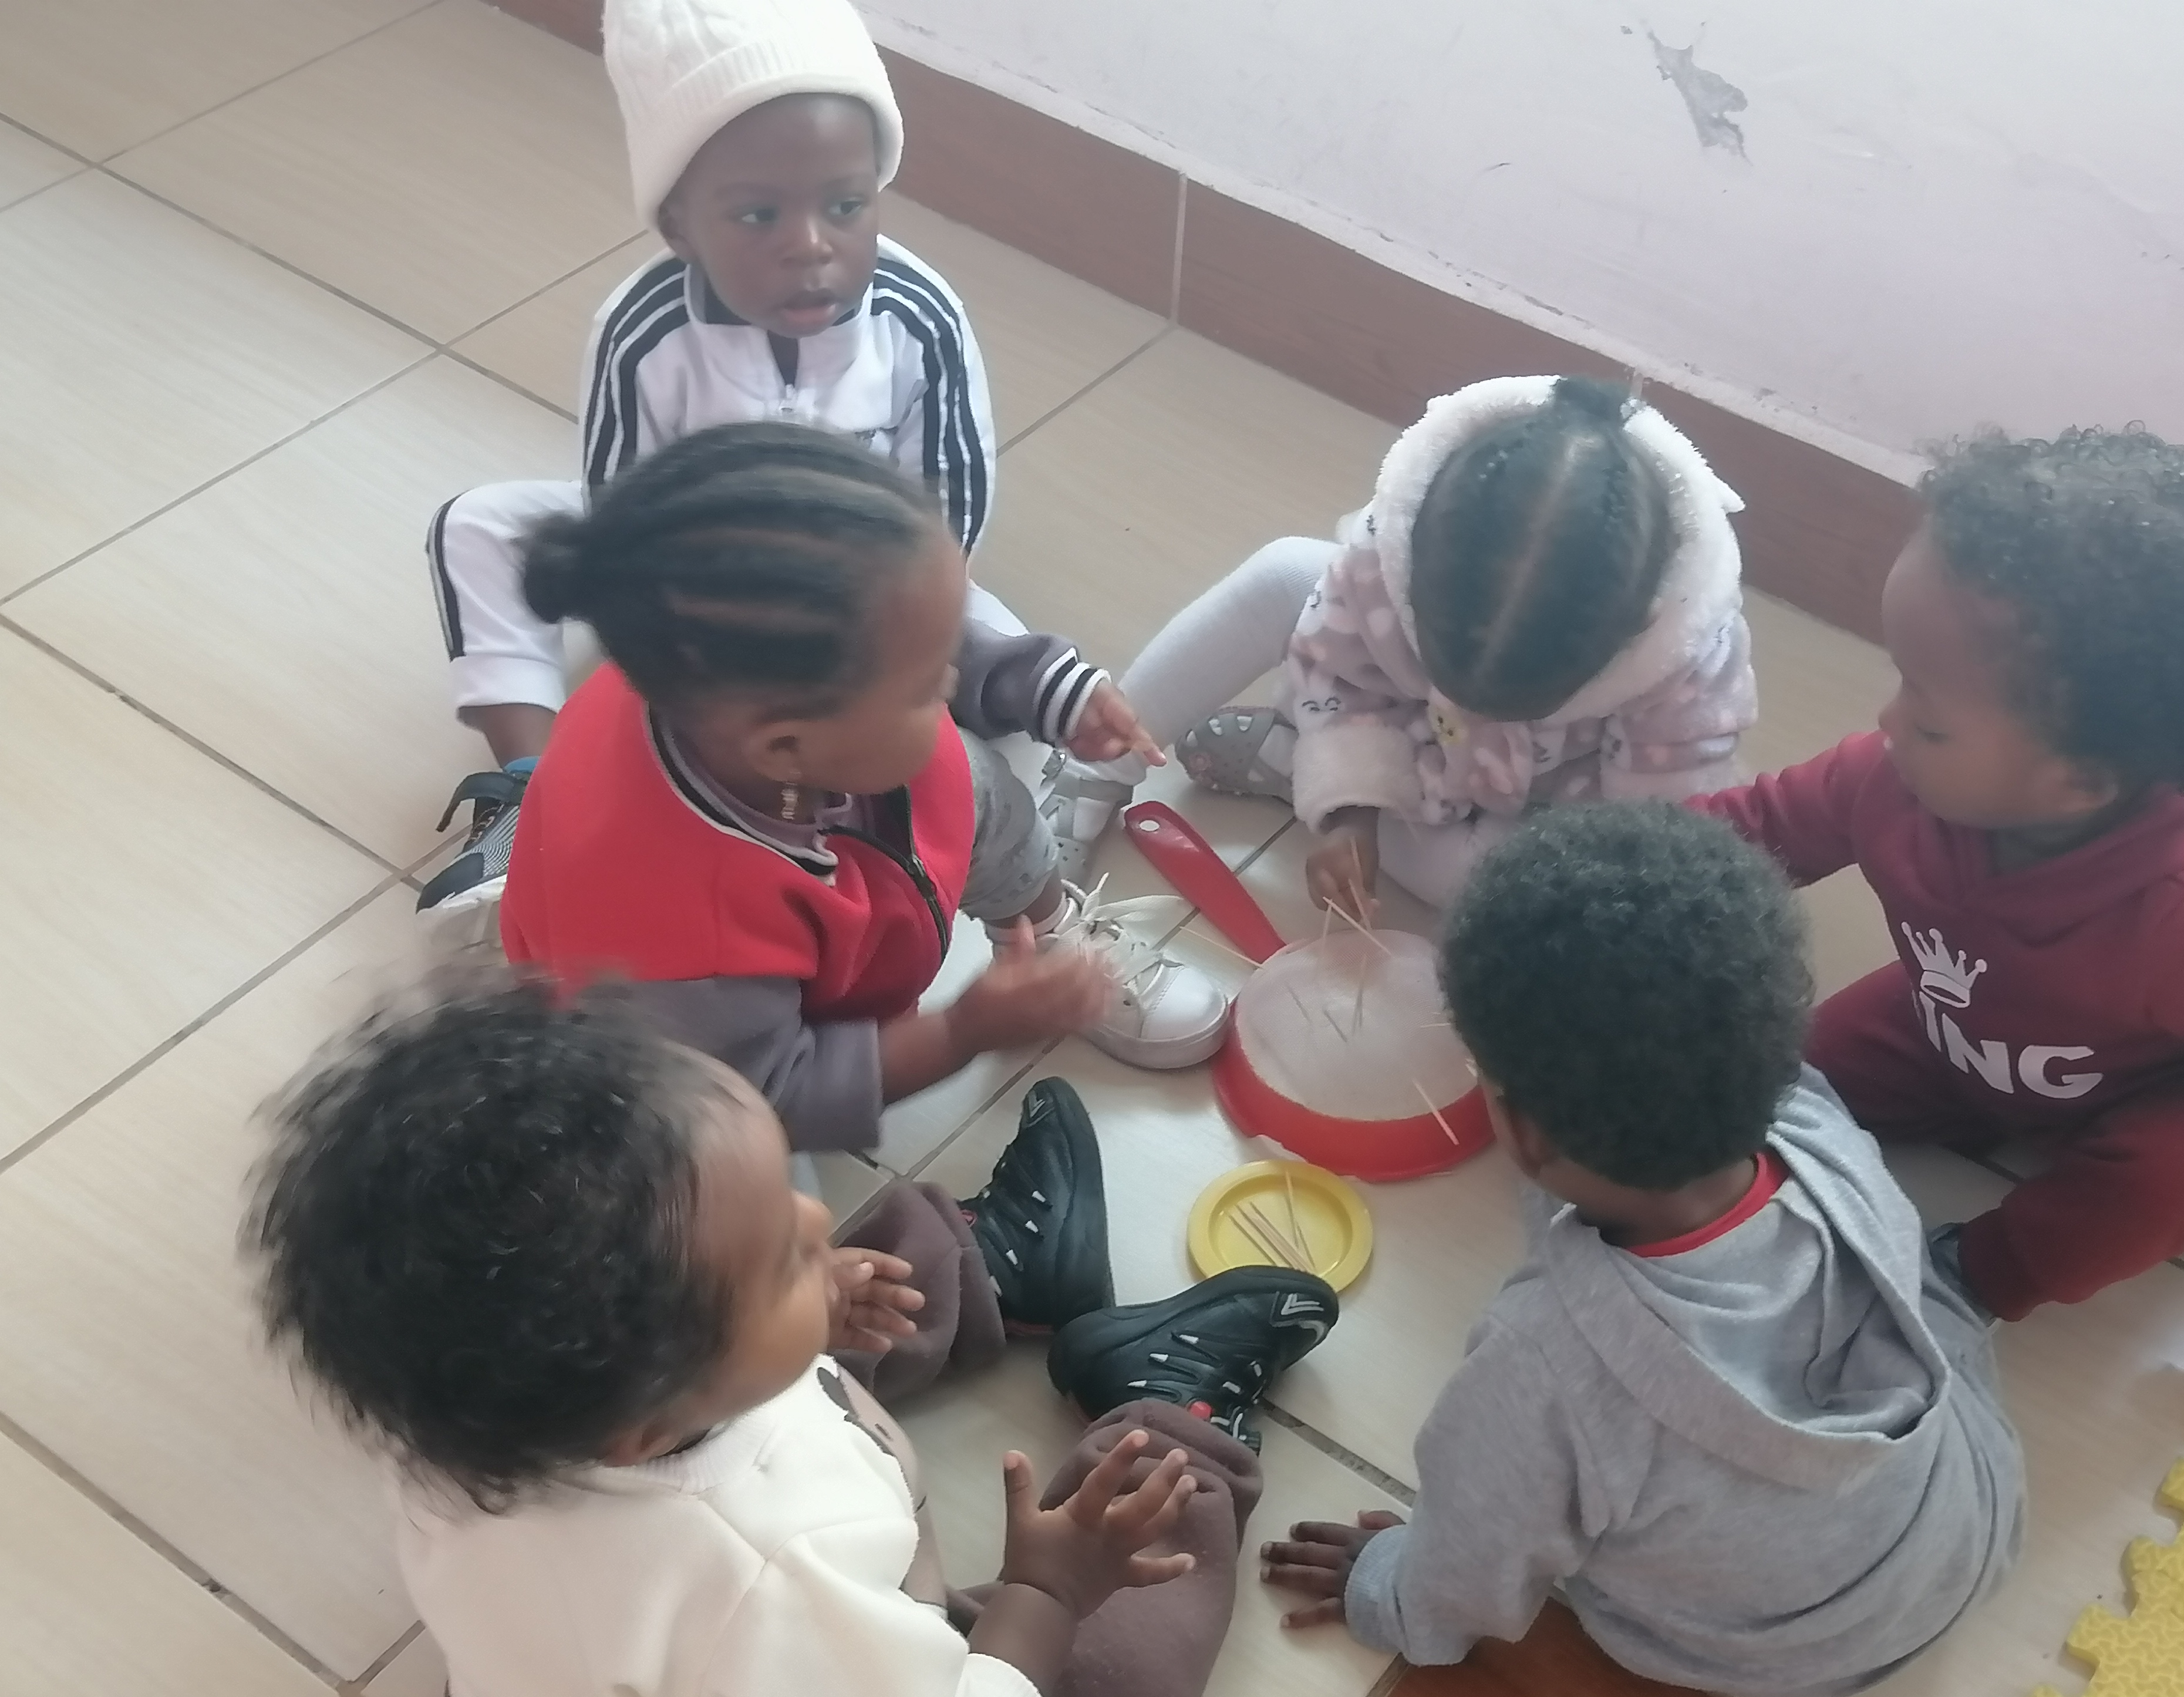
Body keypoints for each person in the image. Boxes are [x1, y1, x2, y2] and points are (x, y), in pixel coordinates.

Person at [245, 980, 1337, 1697]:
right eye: (782, 1253)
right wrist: (1048, 1594)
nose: (815, 1212)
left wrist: (796, 1290)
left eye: (785, 1190)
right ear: (645, 1428)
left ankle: (999, 1269)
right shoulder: (768, 1576)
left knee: (780, 1276)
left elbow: (710, 1325)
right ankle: (1177, 1415)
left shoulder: (465, 1409)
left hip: (596, 1696)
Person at [419, 0, 1154, 940]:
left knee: (995, 656)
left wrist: (894, 645)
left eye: (844, 205)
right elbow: (622, 509)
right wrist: (717, 648)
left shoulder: (920, 315)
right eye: (759, 214)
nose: (810, 244)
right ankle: (535, 793)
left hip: (887, 584)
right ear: (680, 224)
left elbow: (949, 516)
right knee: (478, 526)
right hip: (707, 603)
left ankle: (1024, 822)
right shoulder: (642, 333)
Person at [1261, 802, 2023, 1697]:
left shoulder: (1540, 1364)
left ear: (1523, 1131)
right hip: (1968, 1522)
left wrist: (1386, 1589)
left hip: (1788, 1645)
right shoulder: (1821, 1127)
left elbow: (1466, 1572)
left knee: (1562, 1500)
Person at [1694, 427, 2184, 1335]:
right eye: (1901, 682)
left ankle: (1960, 1283)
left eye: (1930, 718)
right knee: (1768, 1086)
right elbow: (1739, 836)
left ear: (2080, 782)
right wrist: (1568, 887)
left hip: (2149, 1098)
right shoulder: (1889, 778)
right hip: (1950, 1035)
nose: (1888, 721)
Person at [500, 425, 1229, 1163]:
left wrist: (1042, 687)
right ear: (787, 746)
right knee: (730, 1176)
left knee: (975, 785)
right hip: (717, 1063)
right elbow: (773, 1095)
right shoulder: (686, 942)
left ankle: (1049, 933)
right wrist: (962, 1030)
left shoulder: (738, 681)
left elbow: (911, 630)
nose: (953, 681)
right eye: (927, 685)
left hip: (851, 837)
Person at [1038, 375, 1756, 915]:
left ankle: (1292, 767)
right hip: (1405, 725)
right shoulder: (1389, 550)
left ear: (1631, 635)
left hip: (1535, 802)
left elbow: (1645, 844)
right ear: (1411, 561)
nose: (1476, 706)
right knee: (1287, 572)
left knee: (1517, 890)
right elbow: (1340, 669)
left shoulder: (1684, 665)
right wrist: (1350, 814)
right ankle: (1096, 766)